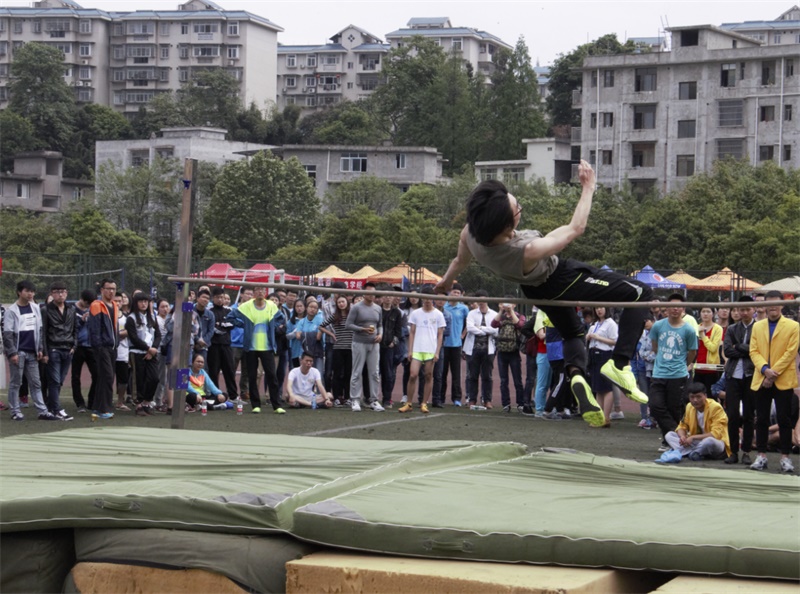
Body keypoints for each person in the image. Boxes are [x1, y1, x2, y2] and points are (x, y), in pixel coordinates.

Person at [436, 161, 650, 428]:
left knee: (573, 333)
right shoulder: (524, 250)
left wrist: (444, 283)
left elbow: (459, 261)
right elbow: (575, 229)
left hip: (534, 290)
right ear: (507, 222)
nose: (520, 210)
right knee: (641, 293)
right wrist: (589, 188)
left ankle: (576, 377)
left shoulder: (471, 234)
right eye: (518, 209)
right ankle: (619, 364)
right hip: (562, 279)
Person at [748, 291, 799, 473]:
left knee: (784, 419)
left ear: (782, 305)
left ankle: (785, 457)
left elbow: (791, 353)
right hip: (761, 377)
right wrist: (764, 370)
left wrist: (772, 374)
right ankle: (761, 455)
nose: (773, 307)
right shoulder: (757, 326)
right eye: (769, 303)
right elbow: (753, 351)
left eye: (776, 303)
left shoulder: (793, 326)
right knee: (761, 418)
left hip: (783, 379)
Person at [226, 285, 286, 415]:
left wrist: (272, 327)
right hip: (251, 348)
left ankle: (277, 405)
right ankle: (255, 404)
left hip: (267, 347)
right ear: (254, 293)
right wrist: (244, 325)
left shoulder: (271, 305)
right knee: (252, 376)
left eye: (262, 290)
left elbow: (281, 318)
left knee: (272, 376)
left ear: (265, 292)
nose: (260, 291)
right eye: (257, 289)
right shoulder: (247, 306)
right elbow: (230, 317)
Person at [649, 294, 698, 449]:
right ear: (666, 308)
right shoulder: (658, 326)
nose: (675, 309)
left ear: (683, 309)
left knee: (674, 409)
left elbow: (692, 352)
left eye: (678, 306)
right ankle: (677, 436)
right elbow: (655, 346)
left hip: (678, 375)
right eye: (672, 306)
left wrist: (683, 365)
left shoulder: (688, 330)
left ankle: (668, 441)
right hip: (659, 373)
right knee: (655, 405)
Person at [3, 280, 53, 421]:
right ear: (19, 292)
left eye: (32, 291)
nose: (30, 294)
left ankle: (42, 411)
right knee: (15, 383)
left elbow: (40, 330)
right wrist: (12, 353)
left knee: (36, 383)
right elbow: (7, 334)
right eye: (27, 291)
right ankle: (15, 411)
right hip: (18, 352)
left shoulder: (35, 307)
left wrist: (40, 349)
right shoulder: (11, 311)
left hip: (33, 352)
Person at [400, 286, 446, 413]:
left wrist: (437, 351)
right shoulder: (416, 313)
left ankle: (424, 403)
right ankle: (408, 403)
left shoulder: (438, 314)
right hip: (417, 350)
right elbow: (412, 332)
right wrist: (410, 350)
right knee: (413, 374)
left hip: (430, 350)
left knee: (428, 375)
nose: (427, 300)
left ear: (433, 299)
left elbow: (440, 334)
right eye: (424, 298)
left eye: (429, 298)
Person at [659, 382, 731, 463]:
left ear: (705, 396)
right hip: (697, 442)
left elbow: (715, 434)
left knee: (709, 441)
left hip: (717, 442)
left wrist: (693, 437)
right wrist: (683, 437)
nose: (695, 400)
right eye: (692, 397)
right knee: (669, 435)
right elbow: (682, 426)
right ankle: (695, 453)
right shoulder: (689, 406)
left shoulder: (715, 407)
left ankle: (686, 452)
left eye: (698, 397)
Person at [722, 296, 756, 465]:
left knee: (749, 415)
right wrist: (747, 350)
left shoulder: (759, 328)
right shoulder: (732, 329)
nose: (743, 312)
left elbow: (758, 351)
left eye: (747, 309)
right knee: (733, 414)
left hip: (751, 376)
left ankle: (747, 451)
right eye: (741, 309)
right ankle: (733, 451)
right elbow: (727, 351)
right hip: (733, 375)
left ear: (753, 310)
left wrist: (739, 347)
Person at [345, 282, 384, 412]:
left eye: (373, 292)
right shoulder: (356, 308)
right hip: (359, 342)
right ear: (364, 293)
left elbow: (380, 324)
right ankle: (355, 399)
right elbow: (348, 324)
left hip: (374, 343)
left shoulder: (378, 308)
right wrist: (362, 329)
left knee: (374, 372)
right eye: (369, 292)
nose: (371, 295)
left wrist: (380, 334)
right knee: (357, 372)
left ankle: (373, 399)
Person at [42, 281, 77, 421]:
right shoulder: (45, 309)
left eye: (63, 291)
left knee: (60, 381)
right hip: (53, 349)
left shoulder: (71, 309)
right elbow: (42, 332)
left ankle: (52, 407)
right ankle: (56, 409)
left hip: (68, 349)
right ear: (52, 294)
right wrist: (44, 352)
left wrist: (75, 345)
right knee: (55, 381)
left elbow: (76, 328)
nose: (60, 294)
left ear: (67, 293)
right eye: (57, 292)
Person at [125, 292, 162, 416]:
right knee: (138, 379)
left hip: (151, 352)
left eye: (146, 301)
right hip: (136, 352)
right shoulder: (131, 318)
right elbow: (133, 337)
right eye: (141, 301)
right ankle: (139, 404)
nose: (144, 303)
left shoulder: (152, 316)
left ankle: (147, 401)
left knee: (154, 378)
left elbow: (158, 335)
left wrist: (154, 348)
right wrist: (147, 348)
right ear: (135, 303)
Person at [88, 279, 120, 419]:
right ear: (102, 290)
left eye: (113, 288)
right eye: (108, 288)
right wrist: (99, 346)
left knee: (106, 377)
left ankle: (98, 406)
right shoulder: (96, 305)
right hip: (102, 347)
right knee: (106, 376)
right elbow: (94, 328)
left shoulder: (114, 305)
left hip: (112, 347)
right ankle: (104, 408)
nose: (111, 291)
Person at [462, 290, 498, 409]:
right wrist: (486, 330)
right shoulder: (472, 313)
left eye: (483, 299)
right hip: (473, 349)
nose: (481, 302)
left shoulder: (494, 314)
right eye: (479, 299)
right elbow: (470, 328)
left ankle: (487, 400)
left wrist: (481, 328)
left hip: (489, 349)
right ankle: (472, 399)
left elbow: (496, 330)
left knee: (487, 376)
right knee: (472, 375)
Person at [491, 297, 526, 413]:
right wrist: (501, 311)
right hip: (502, 352)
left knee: (517, 379)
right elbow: (493, 324)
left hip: (514, 352)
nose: (507, 305)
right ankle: (506, 403)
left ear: (515, 304)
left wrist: (511, 312)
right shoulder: (501, 317)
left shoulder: (519, 316)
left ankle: (520, 403)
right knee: (503, 380)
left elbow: (520, 325)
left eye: (510, 303)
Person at [586, 306, 618, 424]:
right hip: (593, 354)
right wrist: (589, 336)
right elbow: (588, 337)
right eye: (597, 308)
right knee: (597, 388)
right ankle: (600, 417)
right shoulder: (595, 324)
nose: (599, 310)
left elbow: (614, 341)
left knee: (606, 387)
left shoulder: (611, 324)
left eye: (601, 308)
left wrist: (598, 337)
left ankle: (606, 417)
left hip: (604, 354)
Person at [207, 287, 238, 401]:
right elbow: (212, 327)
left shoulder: (229, 310)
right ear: (213, 298)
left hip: (226, 344)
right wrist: (221, 325)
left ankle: (233, 395)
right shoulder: (209, 311)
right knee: (214, 371)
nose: (220, 300)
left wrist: (222, 325)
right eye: (217, 297)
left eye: (222, 297)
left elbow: (232, 324)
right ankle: (215, 394)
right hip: (214, 345)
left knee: (229, 370)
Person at [442, 283, 469, 406]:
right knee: (441, 373)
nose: (456, 294)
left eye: (458, 293)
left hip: (456, 345)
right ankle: (440, 397)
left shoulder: (463, 308)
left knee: (456, 373)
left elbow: (469, 323)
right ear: (449, 293)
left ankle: (456, 398)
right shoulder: (443, 306)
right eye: (454, 292)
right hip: (442, 344)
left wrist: (463, 335)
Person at [71, 289, 97, 413]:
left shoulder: (93, 308)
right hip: (78, 346)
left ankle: (92, 402)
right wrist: (82, 320)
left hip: (91, 346)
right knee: (76, 376)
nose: (88, 306)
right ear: (82, 300)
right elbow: (71, 328)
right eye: (87, 304)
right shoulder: (72, 309)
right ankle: (79, 403)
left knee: (96, 375)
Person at [378, 284, 404, 408]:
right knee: (373, 373)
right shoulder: (376, 310)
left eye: (390, 295)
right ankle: (371, 398)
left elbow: (398, 331)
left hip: (389, 347)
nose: (388, 298)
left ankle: (387, 399)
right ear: (382, 297)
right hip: (376, 346)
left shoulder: (397, 313)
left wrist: (394, 342)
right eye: (386, 295)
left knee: (388, 374)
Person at [695, 306, 723, 397]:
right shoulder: (696, 327)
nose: (705, 314)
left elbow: (713, 348)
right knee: (696, 396)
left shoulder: (718, 328)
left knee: (711, 397)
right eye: (703, 311)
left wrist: (703, 335)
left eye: (708, 311)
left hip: (711, 369)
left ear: (713, 314)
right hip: (697, 368)